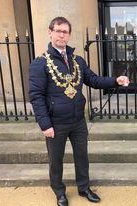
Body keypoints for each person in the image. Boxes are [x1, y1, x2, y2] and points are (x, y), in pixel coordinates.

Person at [29, 16, 129, 206]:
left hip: (78, 121)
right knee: (55, 160)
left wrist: (115, 81)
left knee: (82, 156)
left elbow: (94, 80)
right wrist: (45, 124)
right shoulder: (39, 64)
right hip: (55, 123)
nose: (61, 35)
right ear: (50, 32)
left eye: (65, 32)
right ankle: (59, 192)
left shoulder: (78, 61)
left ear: (69, 35)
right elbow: (36, 96)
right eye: (58, 31)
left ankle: (84, 188)